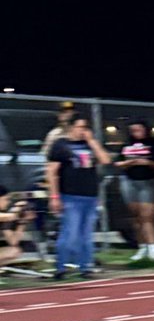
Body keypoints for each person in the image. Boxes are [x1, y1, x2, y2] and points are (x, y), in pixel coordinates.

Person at [46, 113, 111, 280]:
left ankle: (85, 266)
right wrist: (54, 196)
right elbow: (51, 172)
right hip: (70, 195)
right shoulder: (60, 145)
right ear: (71, 127)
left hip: (90, 195)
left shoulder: (89, 144)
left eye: (85, 127)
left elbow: (105, 160)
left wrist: (92, 142)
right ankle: (60, 267)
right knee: (70, 233)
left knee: (87, 235)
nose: (83, 130)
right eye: (80, 127)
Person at [116, 119, 154, 261]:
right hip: (129, 181)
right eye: (133, 130)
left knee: (147, 217)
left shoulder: (153, 143)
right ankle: (142, 247)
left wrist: (147, 162)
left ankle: (153, 249)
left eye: (138, 129)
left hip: (147, 182)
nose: (135, 132)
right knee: (135, 217)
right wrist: (129, 162)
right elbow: (119, 162)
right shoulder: (127, 144)